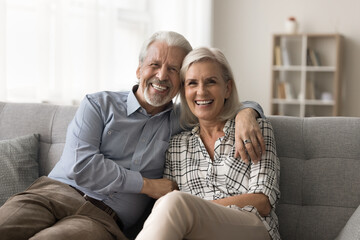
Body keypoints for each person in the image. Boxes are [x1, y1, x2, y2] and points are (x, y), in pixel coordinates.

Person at [0, 32, 265, 240]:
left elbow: (219, 100)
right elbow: (81, 164)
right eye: (155, 64)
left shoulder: (182, 119)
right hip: (53, 194)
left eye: (173, 69)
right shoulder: (98, 104)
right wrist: (147, 186)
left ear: (182, 83)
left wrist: (248, 113)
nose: (162, 75)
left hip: (102, 221)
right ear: (139, 70)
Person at [135, 47, 280, 240]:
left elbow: (263, 201)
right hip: (197, 233)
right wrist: (191, 213)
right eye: (192, 83)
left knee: (175, 202)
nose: (201, 91)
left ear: (227, 88)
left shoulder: (254, 129)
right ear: (184, 91)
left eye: (211, 82)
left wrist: (194, 210)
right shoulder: (176, 145)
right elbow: (166, 209)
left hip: (253, 228)